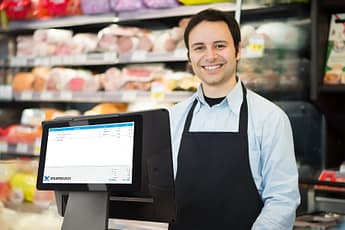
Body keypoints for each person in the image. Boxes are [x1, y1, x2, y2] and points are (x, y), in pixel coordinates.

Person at [169, 9, 300, 230]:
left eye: (220, 46)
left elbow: (282, 200)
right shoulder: (173, 117)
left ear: (238, 51)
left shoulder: (270, 118)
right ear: (189, 57)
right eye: (199, 48)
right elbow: (161, 195)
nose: (210, 56)